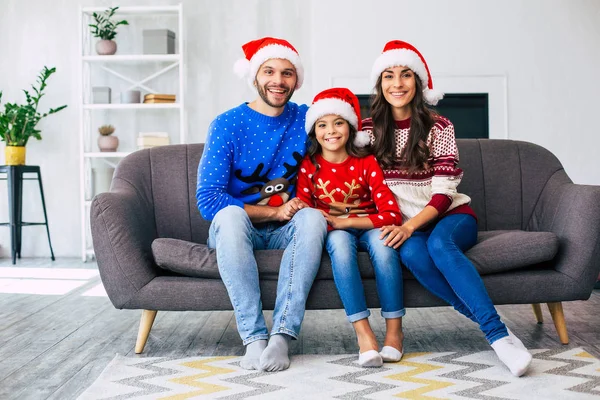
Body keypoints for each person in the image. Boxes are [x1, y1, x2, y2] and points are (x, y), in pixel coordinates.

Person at [364, 40, 533, 377]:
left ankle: (496, 336)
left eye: (405, 75)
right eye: (388, 76)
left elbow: (443, 196)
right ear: (379, 85)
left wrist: (409, 227)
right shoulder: (367, 132)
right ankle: (497, 329)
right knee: (411, 255)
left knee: (440, 246)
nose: (397, 83)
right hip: (405, 225)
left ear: (419, 82)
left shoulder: (439, 126)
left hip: (450, 216)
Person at [196, 37, 327, 372]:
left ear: (297, 80)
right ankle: (254, 338)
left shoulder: (307, 118)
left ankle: (282, 336)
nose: (278, 81)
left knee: (313, 218)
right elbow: (209, 199)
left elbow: (347, 127)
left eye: (287, 73)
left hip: (287, 229)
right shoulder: (227, 124)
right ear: (255, 76)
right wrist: (273, 211)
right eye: (269, 71)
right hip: (238, 231)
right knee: (228, 216)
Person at [296, 88, 405, 367]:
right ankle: (364, 334)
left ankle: (394, 331)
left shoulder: (366, 162)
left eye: (338, 122)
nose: (330, 131)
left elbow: (390, 214)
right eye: (322, 125)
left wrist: (347, 220)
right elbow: (306, 211)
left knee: (384, 247)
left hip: (367, 223)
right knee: (342, 248)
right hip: (335, 232)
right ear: (314, 132)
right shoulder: (309, 167)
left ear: (351, 127)